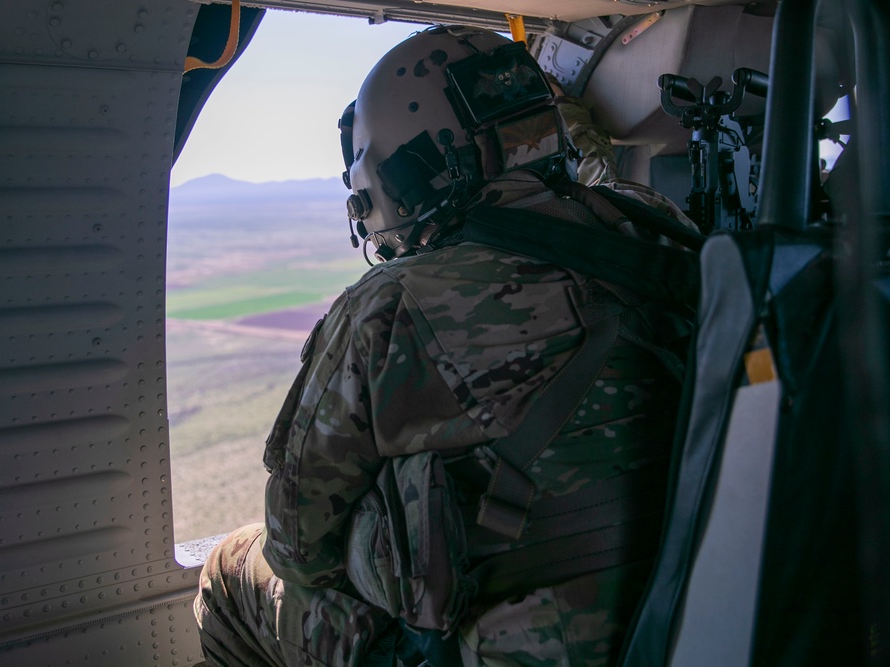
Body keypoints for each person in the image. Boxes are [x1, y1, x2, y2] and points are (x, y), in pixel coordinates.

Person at [194, 24, 697, 667]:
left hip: (498, 653)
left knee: (232, 566)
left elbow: (298, 546)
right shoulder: (658, 228)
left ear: (396, 177)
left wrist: (376, 544)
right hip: (684, 618)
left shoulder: (392, 304)